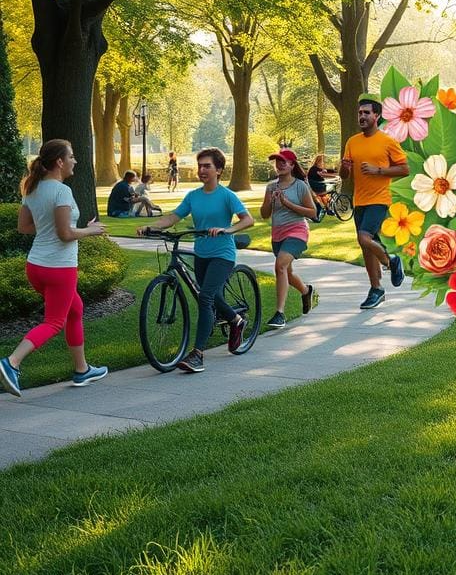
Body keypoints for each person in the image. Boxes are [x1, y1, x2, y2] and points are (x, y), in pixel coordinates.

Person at [0, 140, 109, 398]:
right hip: (58, 268)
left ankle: (82, 369)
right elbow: (65, 234)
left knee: (76, 310)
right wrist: (90, 231)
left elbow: (25, 227)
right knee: (54, 322)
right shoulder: (61, 192)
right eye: (71, 156)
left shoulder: (33, 189)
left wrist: (70, 229)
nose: (75, 161)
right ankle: (11, 362)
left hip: (35, 266)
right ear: (59, 161)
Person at [137, 148, 254, 373]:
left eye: (207, 166)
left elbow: (247, 220)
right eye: (200, 166)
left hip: (223, 254)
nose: (202, 170)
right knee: (208, 295)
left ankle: (198, 354)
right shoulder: (193, 196)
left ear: (218, 170)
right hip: (201, 253)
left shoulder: (227, 195)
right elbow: (173, 217)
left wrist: (227, 229)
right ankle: (236, 320)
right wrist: (150, 227)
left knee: (206, 297)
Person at [340, 97, 410, 309]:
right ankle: (376, 289)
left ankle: (391, 261)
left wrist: (378, 170)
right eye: (360, 113)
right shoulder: (352, 141)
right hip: (359, 200)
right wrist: (344, 167)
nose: (362, 116)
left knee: (364, 237)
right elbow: (344, 175)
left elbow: (404, 168)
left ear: (377, 116)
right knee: (366, 247)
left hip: (379, 199)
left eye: (366, 113)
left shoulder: (387, 141)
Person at [260, 149, 316, 330]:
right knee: (288, 273)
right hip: (278, 233)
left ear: (292, 165)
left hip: (297, 231)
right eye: (277, 162)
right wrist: (271, 201)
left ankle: (279, 313)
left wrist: (287, 204)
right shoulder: (271, 187)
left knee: (280, 266)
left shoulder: (300, 186)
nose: (280, 165)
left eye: (283, 161)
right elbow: (264, 215)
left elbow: (313, 212)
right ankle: (306, 291)